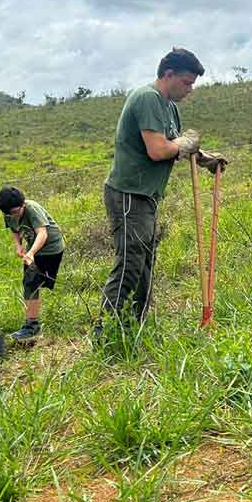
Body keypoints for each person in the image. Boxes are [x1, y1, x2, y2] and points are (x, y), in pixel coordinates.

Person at [101, 47, 224, 326]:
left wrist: (206, 159)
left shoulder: (169, 108)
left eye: (192, 83)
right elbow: (159, 150)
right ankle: (106, 331)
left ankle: (134, 327)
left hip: (147, 196)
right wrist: (183, 144)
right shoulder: (147, 98)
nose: (190, 89)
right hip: (129, 194)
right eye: (186, 82)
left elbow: (175, 144)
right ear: (168, 75)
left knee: (146, 265)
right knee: (131, 263)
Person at [0, 186, 65, 341]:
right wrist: (18, 245)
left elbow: (43, 233)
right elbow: (14, 229)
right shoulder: (8, 212)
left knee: (36, 283)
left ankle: (32, 326)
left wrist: (31, 253)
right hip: (33, 249)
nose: (12, 216)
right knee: (30, 284)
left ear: (23, 205)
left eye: (16, 212)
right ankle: (32, 326)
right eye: (9, 213)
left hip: (51, 248)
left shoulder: (32, 209)